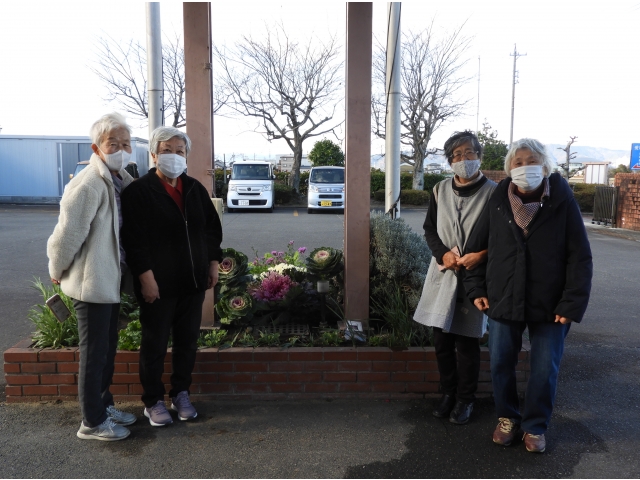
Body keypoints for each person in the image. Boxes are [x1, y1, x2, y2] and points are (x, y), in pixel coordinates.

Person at [464, 138, 593, 453]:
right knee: (500, 364)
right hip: (503, 297)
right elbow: (477, 248)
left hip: (551, 303)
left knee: (544, 368)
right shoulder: (498, 200)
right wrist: (476, 288)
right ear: (509, 168)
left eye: (532, 161)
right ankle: (507, 418)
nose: (525, 167)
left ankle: (535, 426)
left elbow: (579, 257)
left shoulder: (562, 201)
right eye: (518, 162)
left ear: (545, 166)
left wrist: (572, 302)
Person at [121, 126, 223, 427]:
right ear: (154, 155)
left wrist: (213, 263)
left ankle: (181, 393)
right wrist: (145, 278)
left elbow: (211, 229)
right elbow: (134, 240)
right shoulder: (139, 191)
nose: (174, 156)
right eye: (167, 151)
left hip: (192, 282)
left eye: (180, 151)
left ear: (186, 156)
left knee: (187, 342)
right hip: (158, 284)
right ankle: (153, 401)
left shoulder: (194, 189)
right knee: (154, 345)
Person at [47, 112, 138, 441]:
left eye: (125, 144)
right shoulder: (88, 183)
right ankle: (92, 422)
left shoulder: (119, 180)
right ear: (96, 147)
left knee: (107, 349)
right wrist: (56, 269)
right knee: (95, 353)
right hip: (91, 283)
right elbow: (66, 235)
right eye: (112, 143)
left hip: (108, 281)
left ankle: (104, 406)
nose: (120, 149)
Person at [413, 131, 497, 425]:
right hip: (444, 272)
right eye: (457, 155)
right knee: (442, 341)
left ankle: (465, 399)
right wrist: (443, 255)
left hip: (475, 276)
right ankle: (448, 393)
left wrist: (482, 255)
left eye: (469, 153)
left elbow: (504, 237)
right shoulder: (440, 190)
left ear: (479, 156)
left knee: (467, 342)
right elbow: (429, 229)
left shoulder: (494, 192)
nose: (464, 159)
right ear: (450, 161)